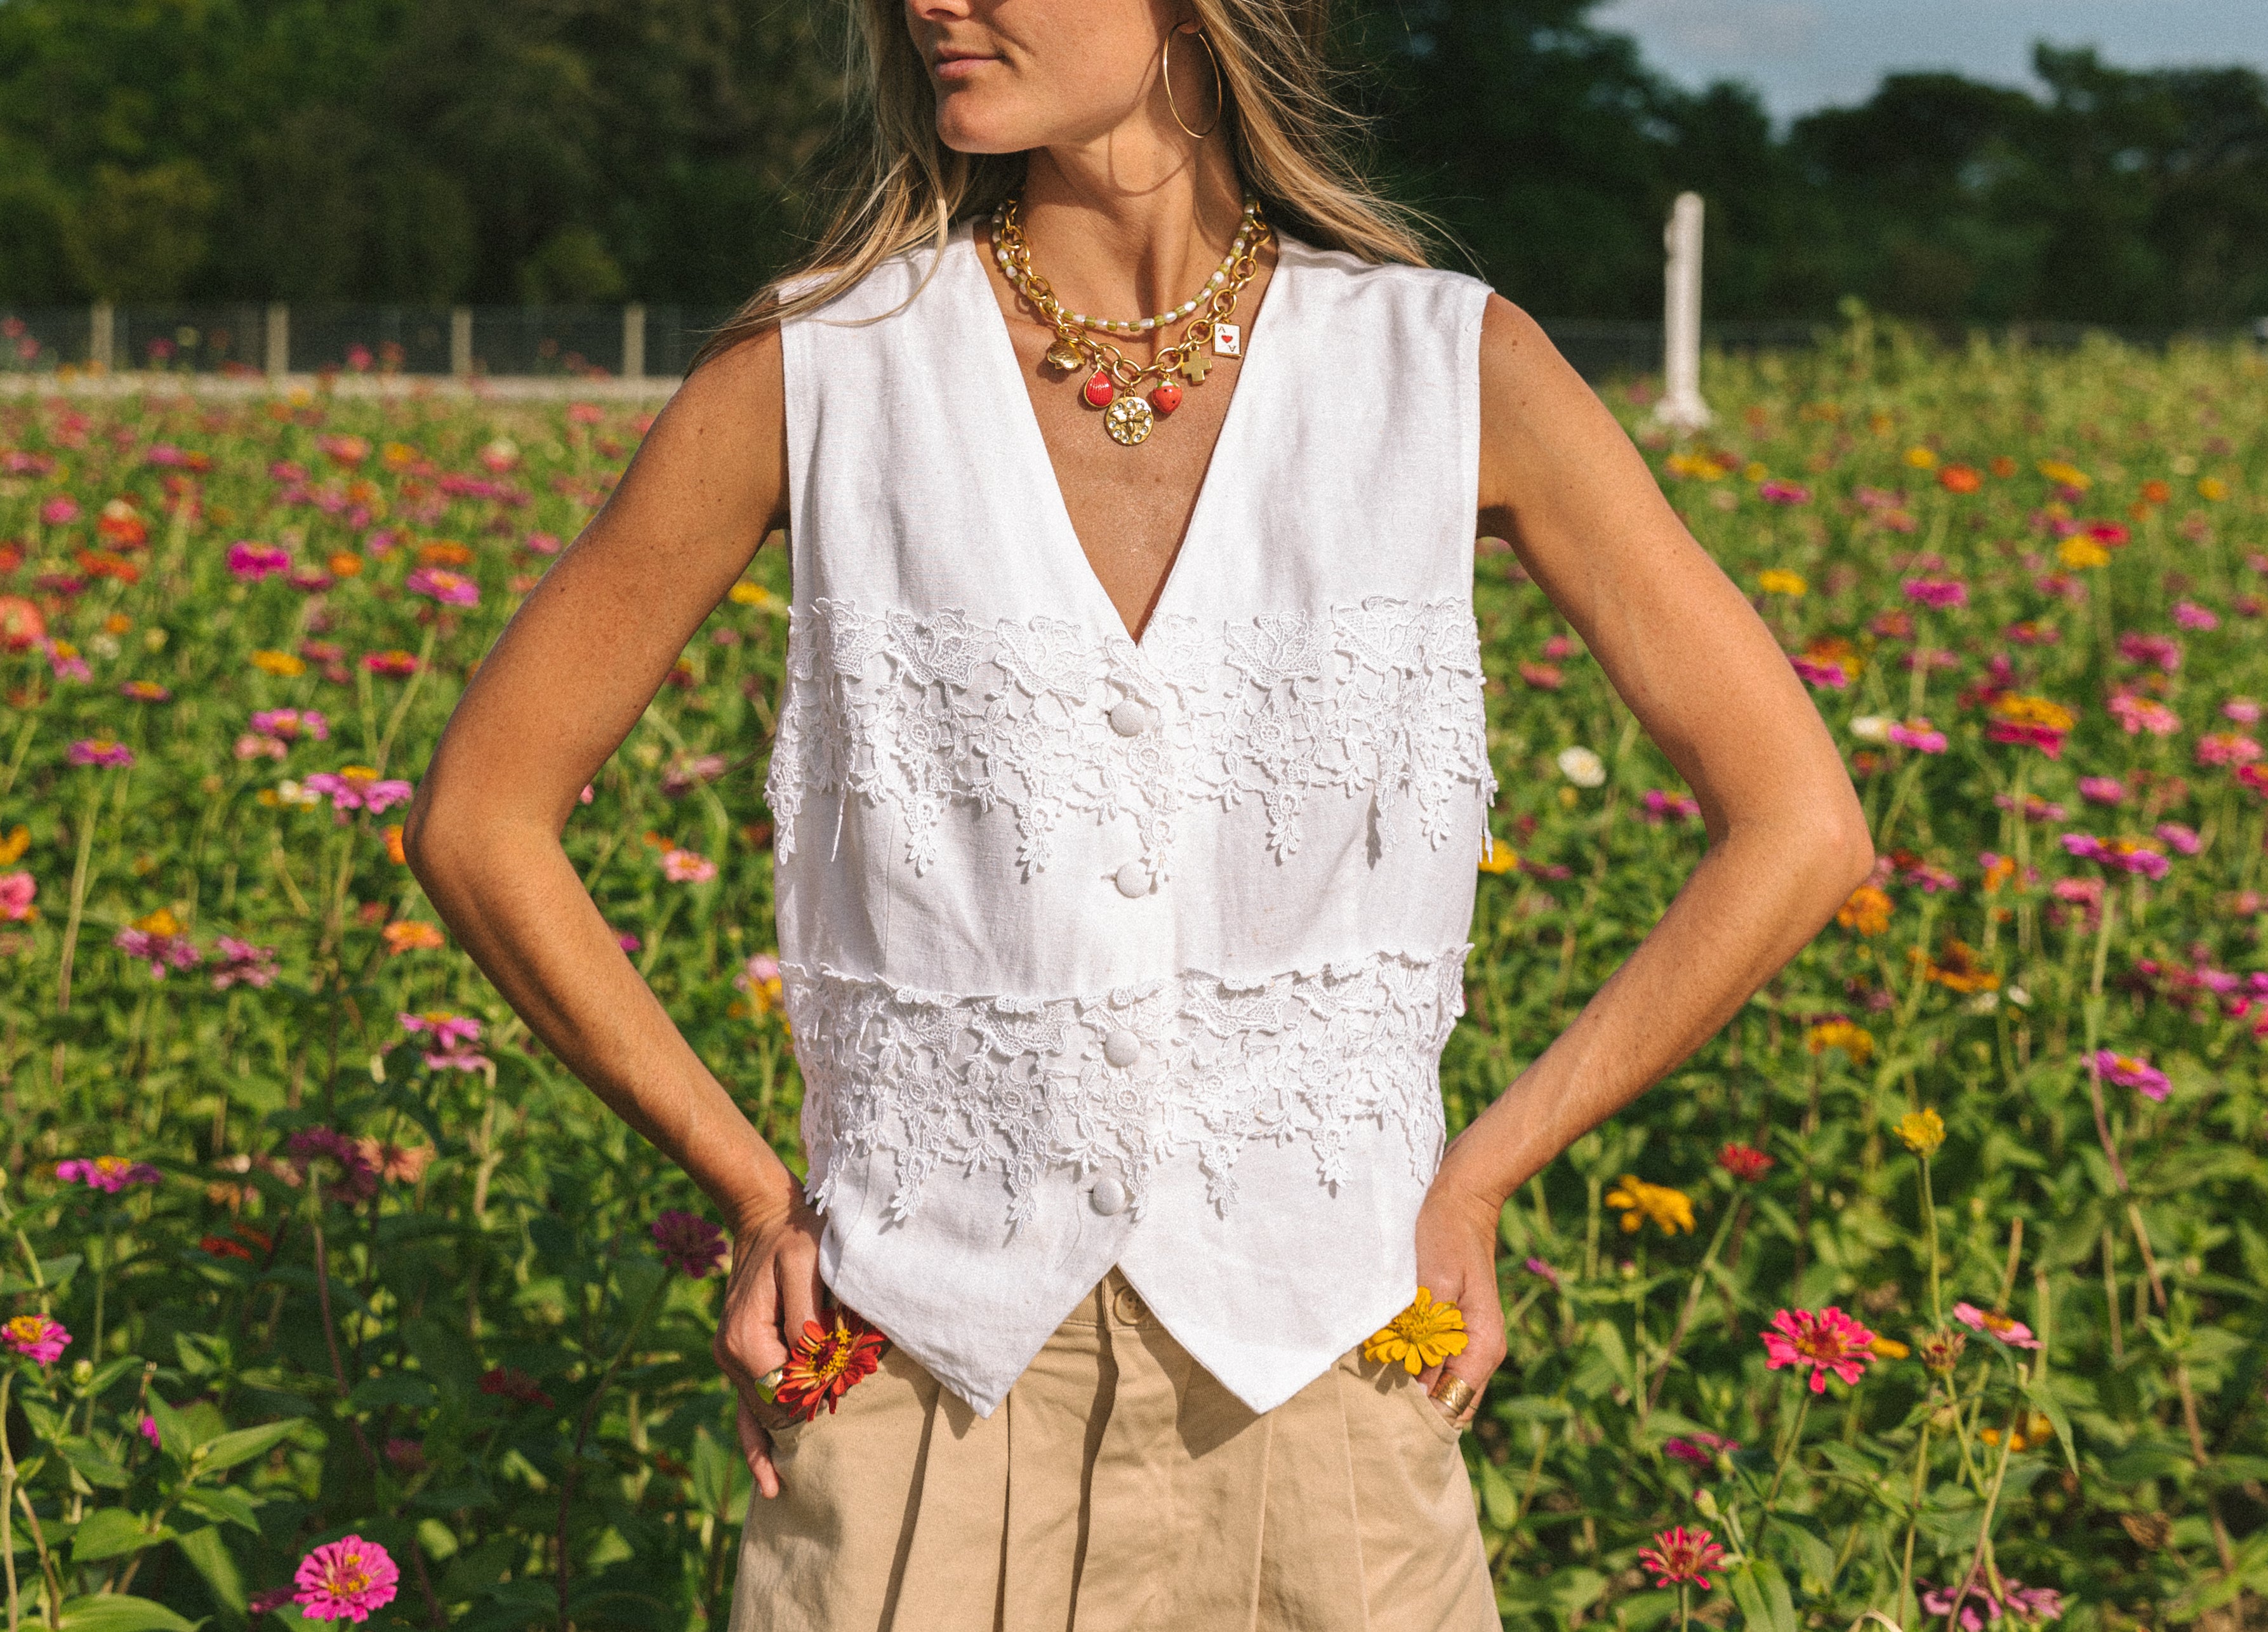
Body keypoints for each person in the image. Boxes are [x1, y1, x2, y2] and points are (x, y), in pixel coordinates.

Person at [402, 0, 1874, 1624]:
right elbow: (482, 814)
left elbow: (1800, 822)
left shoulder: (1444, 366)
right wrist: (753, 1188)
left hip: (1329, 1394)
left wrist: (1483, 1174)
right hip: (912, 1399)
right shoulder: (819, 371)